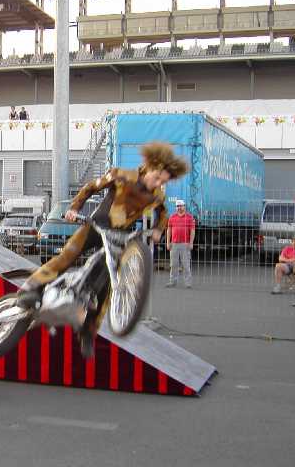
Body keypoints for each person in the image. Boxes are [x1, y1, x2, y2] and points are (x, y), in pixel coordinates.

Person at [17, 142, 189, 356]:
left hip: (117, 237)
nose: (158, 184)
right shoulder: (121, 176)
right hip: (94, 227)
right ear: (150, 167)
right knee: (66, 257)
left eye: (163, 182)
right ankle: (29, 289)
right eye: (157, 178)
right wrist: (74, 208)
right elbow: (91, 188)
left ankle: (88, 330)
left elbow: (163, 214)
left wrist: (158, 230)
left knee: (107, 287)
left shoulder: (157, 196)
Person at [165, 198, 195, 288]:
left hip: (185, 244)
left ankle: (188, 283)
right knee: (173, 264)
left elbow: (192, 230)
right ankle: (172, 282)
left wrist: (191, 243)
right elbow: (169, 230)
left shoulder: (189, 217)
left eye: (180, 206)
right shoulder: (172, 217)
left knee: (186, 264)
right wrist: (168, 242)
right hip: (174, 244)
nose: (179, 208)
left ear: (184, 206)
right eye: (177, 206)